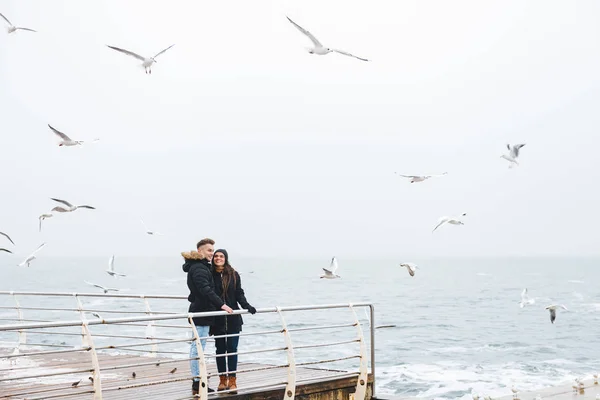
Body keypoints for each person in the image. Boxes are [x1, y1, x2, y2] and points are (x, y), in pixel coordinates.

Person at [182, 238, 233, 395]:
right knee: (198, 348)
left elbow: (199, 290)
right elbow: (205, 289)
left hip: (201, 311)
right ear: (200, 251)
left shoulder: (201, 267)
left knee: (198, 347)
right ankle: (198, 382)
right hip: (201, 313)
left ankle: (198, 380)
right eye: (209, 250)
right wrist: (221, 304)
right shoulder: (199, 268)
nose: (212, 253)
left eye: (213, 250)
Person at [210, 249, 256, 394]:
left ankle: (233, 380)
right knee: (220, 350)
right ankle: (222, 380)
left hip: (233, 318)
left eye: (221, 256)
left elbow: (238, 293)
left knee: (232, 349)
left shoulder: (233, 274)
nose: (218, 258)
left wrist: (247, 306)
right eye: (216, 256)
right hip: (218, 318)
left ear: (226, 258)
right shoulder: (210, 274)